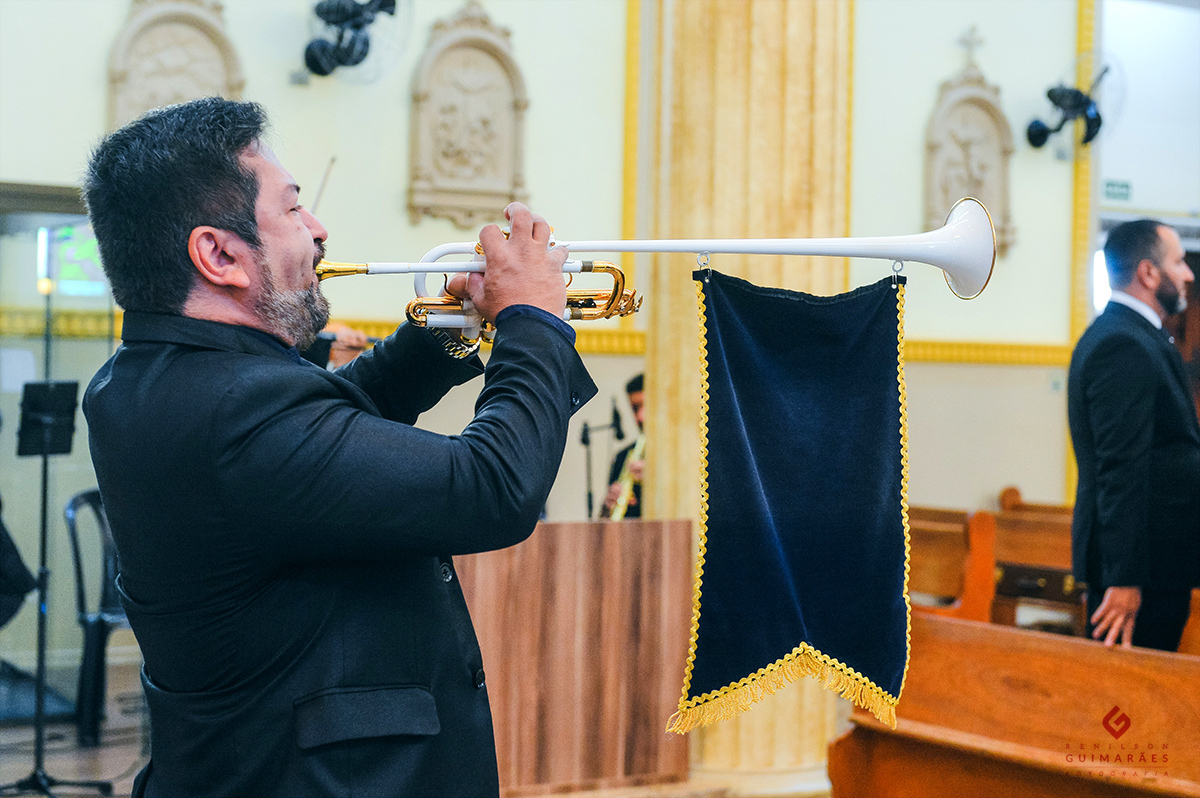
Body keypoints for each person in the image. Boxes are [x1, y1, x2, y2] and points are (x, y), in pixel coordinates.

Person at [81, 97, 595, 797]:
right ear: (219, 254)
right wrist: (535, 320)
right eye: (293, 210)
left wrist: (453, 325)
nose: (318, 229)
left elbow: (325, 433)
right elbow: (495, 489)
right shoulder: (236, 408)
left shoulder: (148, 376)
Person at [1068, 218, 1200, 651]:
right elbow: (1121, 469)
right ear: (1148, 272)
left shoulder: (1138, 335)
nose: (1188, 274)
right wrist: (1125, 579)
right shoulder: (1122, 344)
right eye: (1179, 262)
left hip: (1157, 564)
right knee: (1124, 710)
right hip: (1141, 573)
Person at [602, 373, 645, 519]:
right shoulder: (622, 457)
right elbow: (604, 523)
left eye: (646, 406)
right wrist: (607, 508)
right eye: (635, 408)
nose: (640, 417)